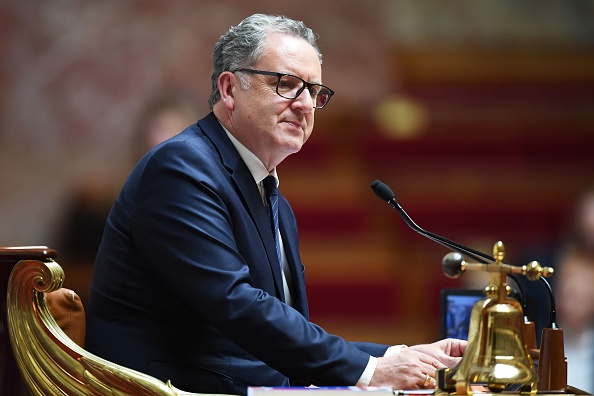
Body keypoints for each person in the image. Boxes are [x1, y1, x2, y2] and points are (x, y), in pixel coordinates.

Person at [85, 13, 465, 395]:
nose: (305, 105)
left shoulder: (273, 199)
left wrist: (397, 357)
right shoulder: (182, 168)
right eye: (286, 84)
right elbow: (237, 306)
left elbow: (284, 335)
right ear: (230, 88)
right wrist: (370, 370)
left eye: (315, 92)